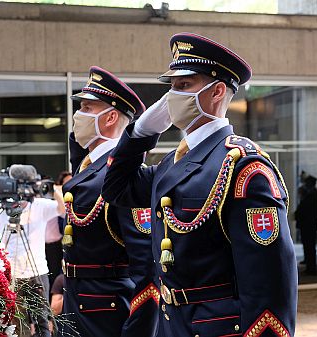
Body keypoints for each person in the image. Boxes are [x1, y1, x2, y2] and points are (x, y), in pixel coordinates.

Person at [102, 33, 297, 336]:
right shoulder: (171, 164)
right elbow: (115, 187)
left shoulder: (243, 166)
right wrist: (140, 133)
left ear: (217, 91)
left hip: (219, 328)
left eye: (183, 86)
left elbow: (270, 281)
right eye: (171, 87)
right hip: (173, 324)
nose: (171, 97)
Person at [61, 66, 158, 337]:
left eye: (88, 108)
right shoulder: (87, 164)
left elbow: (147, 270)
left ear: (111, 116)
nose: (78, 116)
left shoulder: (122, 176)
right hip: (77, 305)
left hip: (109, 314)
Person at [0, 165, 65, 337]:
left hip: (37, 271)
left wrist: (52, 190)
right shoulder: (1, 209)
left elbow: (63, 209)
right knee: (16, 321)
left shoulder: (40, 205)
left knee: (42, 319)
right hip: (11, 273)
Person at [45, 171, 71, 288]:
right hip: (39, 246)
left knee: (55, 276)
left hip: (55, 245)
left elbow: (63, 210)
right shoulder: (36, 203)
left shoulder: (56, 202)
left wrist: (55, 190)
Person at [295, 175, 317, 275]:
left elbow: (305, 210)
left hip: (309, 225)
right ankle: (309, 264)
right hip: (307, 225)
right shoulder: (309, 194)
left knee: (310, 247)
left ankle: (311, 268)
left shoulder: (311, 194)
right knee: (307, 246)